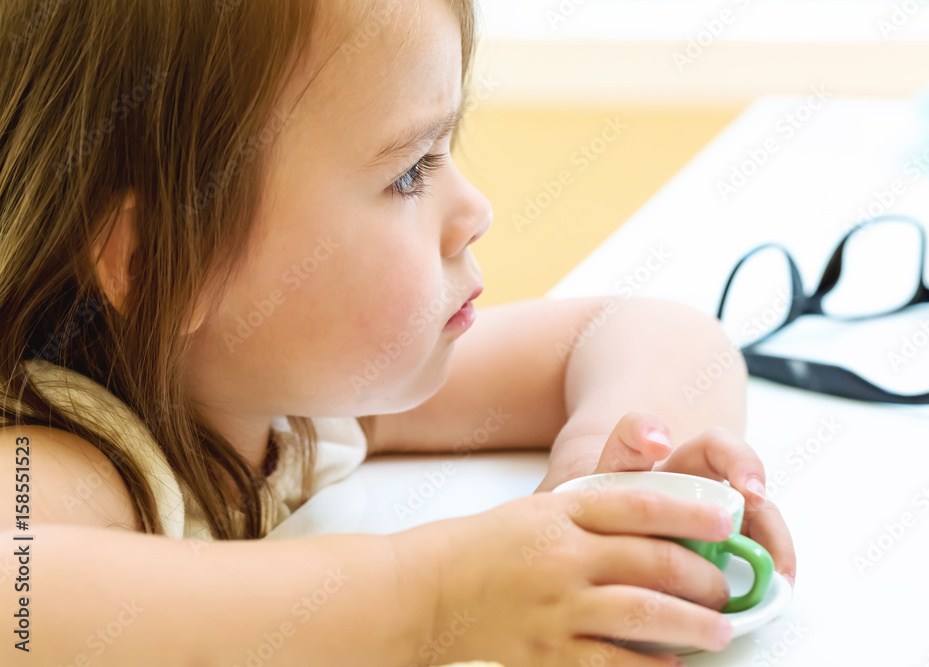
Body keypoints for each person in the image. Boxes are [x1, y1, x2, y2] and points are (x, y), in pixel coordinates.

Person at [0, 1, 795, 665]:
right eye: (410, 171)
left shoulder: (286, 396)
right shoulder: (71, 447)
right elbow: (21, 595)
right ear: (157, 261)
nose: (475, 209)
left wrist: (600, 487)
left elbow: (650, 331)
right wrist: (443, 593)